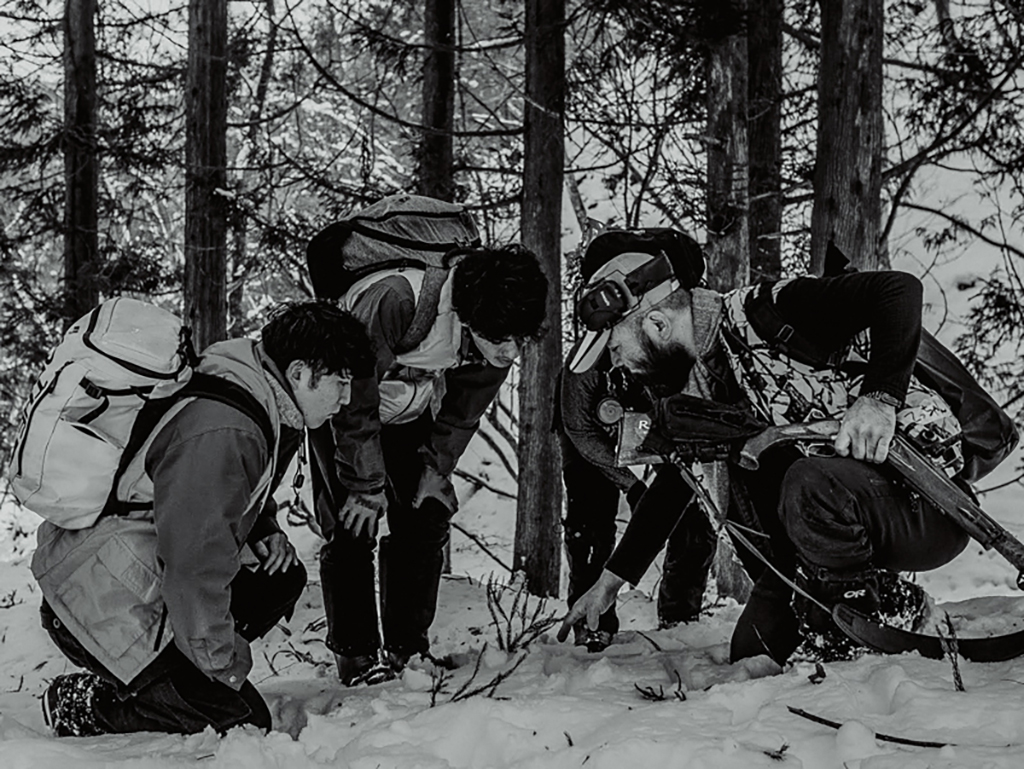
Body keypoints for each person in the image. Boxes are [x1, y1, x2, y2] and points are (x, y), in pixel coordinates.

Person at [557, 250, 975, 664]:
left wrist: (879, 399)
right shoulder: (699, 387)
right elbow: (673, 486)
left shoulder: (770, 309)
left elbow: (899, 289)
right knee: (752, 652)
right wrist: (609, 583)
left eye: (616, 349)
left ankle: (856, 624)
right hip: (826, 525)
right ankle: (890, 600)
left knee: (807, 480)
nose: (619, 367)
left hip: (926, 506)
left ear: (658, 323)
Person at [32, 301, 375, 736]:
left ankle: (174, 675)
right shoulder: (226, 431)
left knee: (279, 577)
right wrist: (221, 666)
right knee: (240, 722)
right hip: (93, 597)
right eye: (339, 383)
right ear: (299, 372)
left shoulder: (252, 382)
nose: (345, 400)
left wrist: (265, 528)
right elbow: (195, 565)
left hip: (127, 567)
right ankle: (84, 704)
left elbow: (220, 495)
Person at [309, 244, 549, 684]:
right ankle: (356, 654)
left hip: (408, 413)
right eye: (502, 339)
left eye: (520, 340)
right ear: (472, 313)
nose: (511, 351)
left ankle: (407, 650)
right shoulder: (396, 299)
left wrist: (436, 467)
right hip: (339, 413)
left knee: (426, 516)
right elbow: (353, 395)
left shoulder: (495, 330)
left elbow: (464, 408)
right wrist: (365, 484)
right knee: (352, 524)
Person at [559, 346, 716, 652]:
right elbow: (583, 436)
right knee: (588, 522)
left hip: (660, 428)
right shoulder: (583, 367)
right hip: (590, 438)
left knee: (692, 515)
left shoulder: (673, 354)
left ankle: (680, 618)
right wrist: (632, 485)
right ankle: (591, 623)